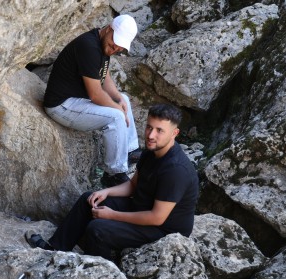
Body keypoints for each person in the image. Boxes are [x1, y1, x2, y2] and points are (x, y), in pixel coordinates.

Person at [26, 104, 199, 260]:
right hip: (142, 208)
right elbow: (132, 186)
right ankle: (56, 248)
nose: (151, 135)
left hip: (163, 231)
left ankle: (99, 277)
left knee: (98, 229)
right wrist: (106, 192)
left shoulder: (176, 170)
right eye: (149, 127)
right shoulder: (151, 151)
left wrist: (112, 215)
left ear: (174, 133)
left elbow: (157, 218)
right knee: (89, 199)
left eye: (159, 130)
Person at [43, 14, 141, 188]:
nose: (114, 49)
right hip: (61, 105)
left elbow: (104, 75)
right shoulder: (88, 46)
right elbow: (96, 94)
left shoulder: (101, 43)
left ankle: (130, 151)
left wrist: (118, 98)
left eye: (118, 48)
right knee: (115, 117)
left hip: (77, 100)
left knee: (124, 98)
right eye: (113, 44)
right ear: (109, 28)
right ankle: (114, 174)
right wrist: (117, 109)